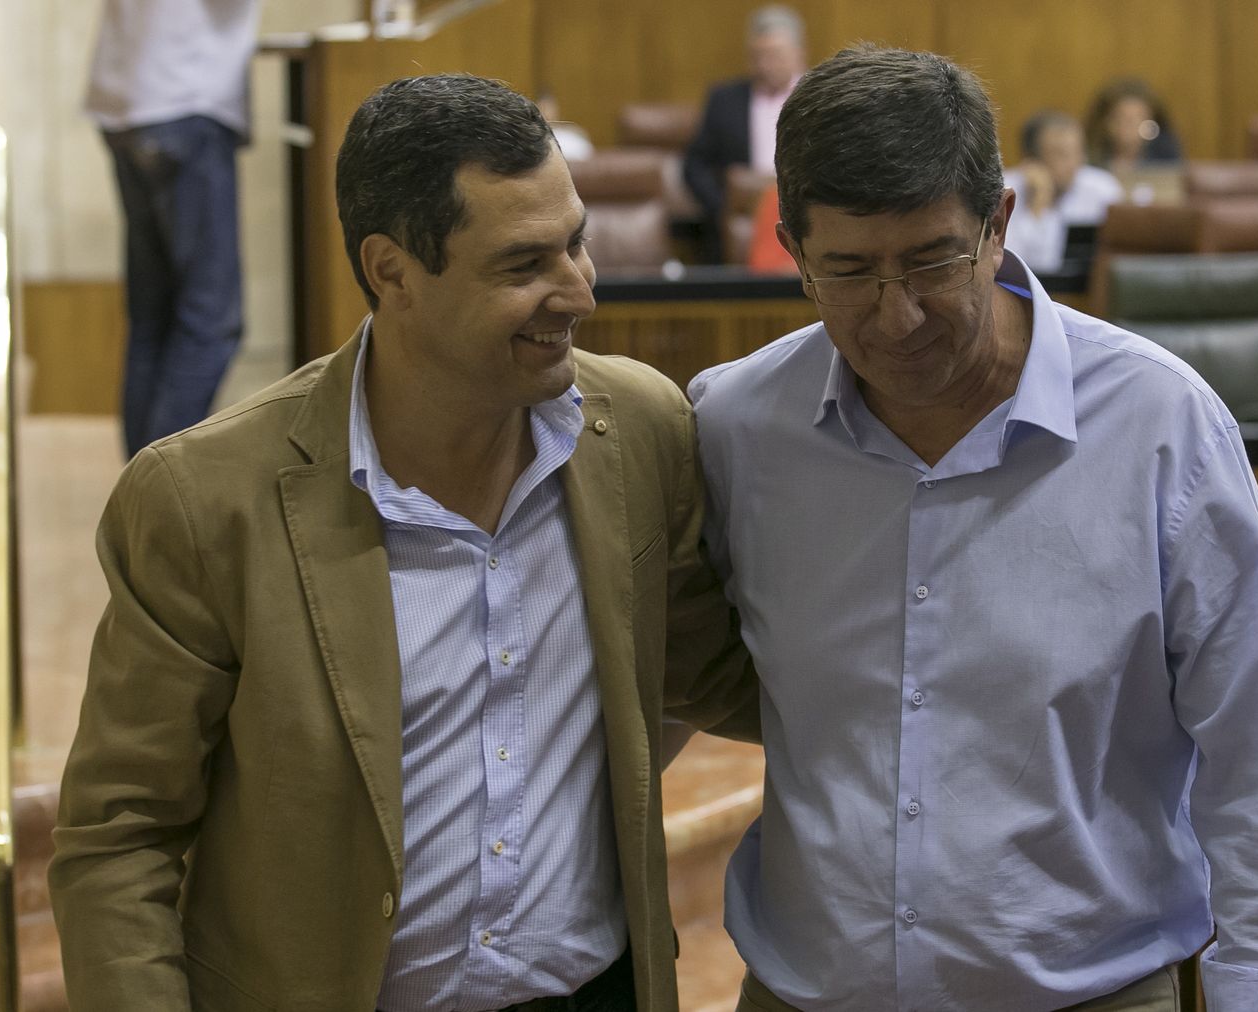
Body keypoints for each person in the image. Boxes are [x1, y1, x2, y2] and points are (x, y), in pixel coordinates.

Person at [50, 74, 756, 1011]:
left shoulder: (639, 429)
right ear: (391, 271)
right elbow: (119, 835)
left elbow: (715, 673)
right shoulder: (204, 501)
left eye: (576, 243)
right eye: (522, 266)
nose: (579, 291)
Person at [689, 46, 1258, 1010]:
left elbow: (1257, 752)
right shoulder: (734, 425)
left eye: (932, 259)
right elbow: (675, 680)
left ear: (999, 222)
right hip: (805, 992)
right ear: (792, 248)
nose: (899, 315)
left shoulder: (1157, 424)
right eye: (847, 271)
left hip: (1095, 992)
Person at [86, 0, 261, 458]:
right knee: (210, 323)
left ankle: (136, 503)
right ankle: (154, 503)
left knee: (155, 319)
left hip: (126, 95)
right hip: (183, 94)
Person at [683, 5, 806, 261]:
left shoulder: (815, 97)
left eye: (774, 55)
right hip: (738, 219)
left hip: (803, 214)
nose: (765, 65)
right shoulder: (724, 99)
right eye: (757, 56)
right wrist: (723, 208)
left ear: (798, 54)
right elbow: (695, 165)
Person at [1003, 110, 1123, 273]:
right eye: (1061, 154)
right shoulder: (1005, 189)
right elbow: (1012, 266)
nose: (1072, 163)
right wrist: (1038, 206)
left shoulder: (1102, 190)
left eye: (1077, 152)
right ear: (1032, 160)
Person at [1084, 76, 1183, 175]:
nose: (1128, 126)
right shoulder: (1087, 157)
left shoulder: (1165, 153)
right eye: (1118, 118)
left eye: (1138, 118)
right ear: (1103, 122)